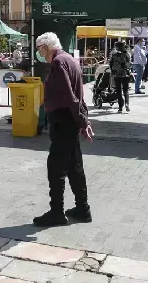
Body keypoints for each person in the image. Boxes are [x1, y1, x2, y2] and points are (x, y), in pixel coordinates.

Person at [32, 32, 94, 227]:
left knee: (56, 168)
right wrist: (83, 120)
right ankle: (82, 208)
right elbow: (79, 96)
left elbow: (69, 97)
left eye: (39, 49)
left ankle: (57, 212)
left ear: (45, 47)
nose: (38, 53)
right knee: (75, 166)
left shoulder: (59, 63)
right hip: (70, 121)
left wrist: (83, 121)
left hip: (62, 121)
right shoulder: (70, 60)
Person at [109, 41, 132, 112]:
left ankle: (120, 107)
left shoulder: (114, 54)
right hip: (126, 74)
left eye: (116, 46)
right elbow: (129, 64)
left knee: (118, 90)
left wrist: (113, 71)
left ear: (118, 47)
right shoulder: (128, 54)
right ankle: (127, 104)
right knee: (126, 90)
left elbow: (110, 63)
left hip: (117, 74)